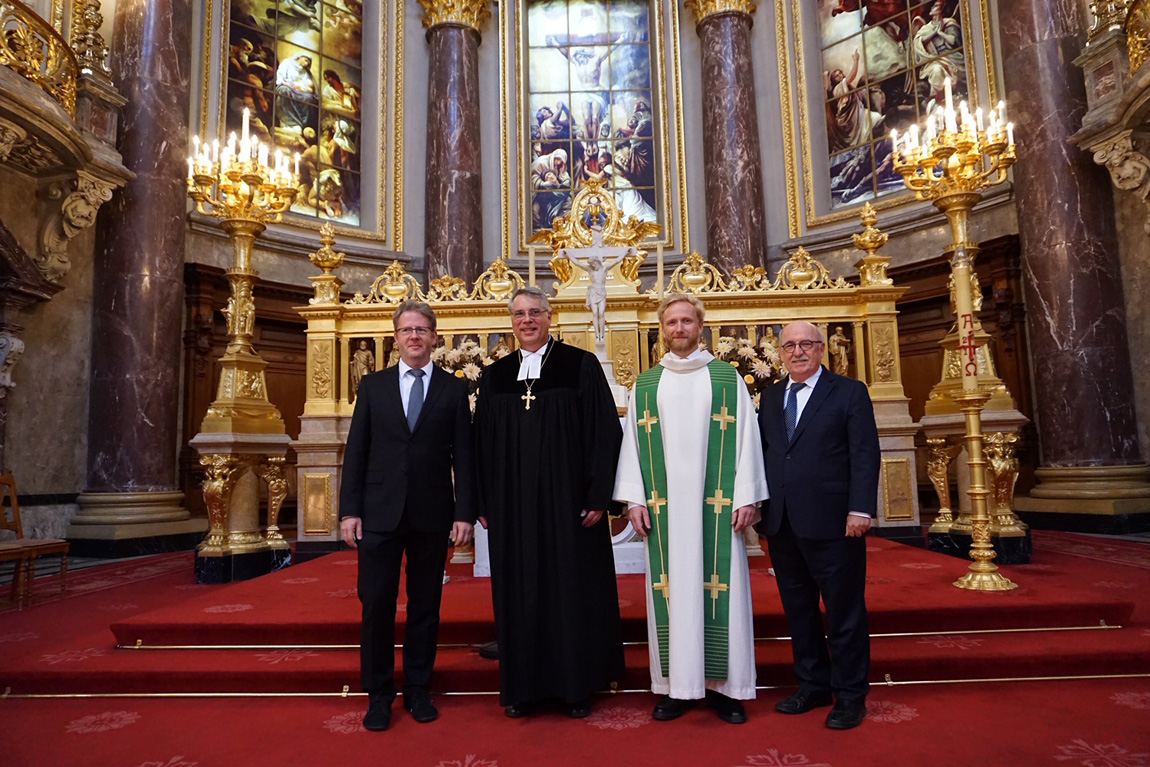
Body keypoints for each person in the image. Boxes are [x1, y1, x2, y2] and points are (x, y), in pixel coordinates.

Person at [614, 293, 768, 725]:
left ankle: (727, 690)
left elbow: (747, 443)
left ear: (701, 327)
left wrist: (747, 497)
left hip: (716, 510)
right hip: (664, 514)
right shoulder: (646, 384)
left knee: (724, 593)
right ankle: (677, 689)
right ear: (662, 330)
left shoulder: (726, 378)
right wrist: (635, 499)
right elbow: (631, 447)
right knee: (672, 594)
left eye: (686, 321)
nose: (679, 329)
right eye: (671, 323)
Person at [474, 286, 624, 719]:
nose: (527, 321)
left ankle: (577, 687)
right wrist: (483, 499)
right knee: (519, 592)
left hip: (569, 507)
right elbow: (480, 442)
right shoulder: (495, 375)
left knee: (570, 590)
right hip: (512, 509)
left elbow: (603, 433)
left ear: (550, 316)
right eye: (519, 314)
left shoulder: (580, 364)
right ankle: (523, 688)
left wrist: (599, 495)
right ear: (512, 321)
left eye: (535, 312)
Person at [338, 300, 477, 733]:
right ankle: (379, 695)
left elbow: (465, 458)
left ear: (435, 337)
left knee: (425, 607)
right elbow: (357, 450)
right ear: (396, 337)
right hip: (378, 513)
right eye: (406, 330)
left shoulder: (454, 389)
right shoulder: (373, 387)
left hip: (432, 514)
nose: (414, 336)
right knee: (376, 604)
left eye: (422, 330)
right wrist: (349, 511)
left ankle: (418, 688)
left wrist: (464, 512)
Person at [755, 321, 880, 731]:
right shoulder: (771, 398)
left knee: (844, 612)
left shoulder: (848, 392)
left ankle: (849, 695)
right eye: (789, 345)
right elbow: (767, 456)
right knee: (800, 611)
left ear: (822, 349)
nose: (797, 352)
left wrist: (860, 508)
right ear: (780, 353)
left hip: (835, 523)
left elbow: (864, 453)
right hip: (783, 523)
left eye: (805, 344)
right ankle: (812, 685)